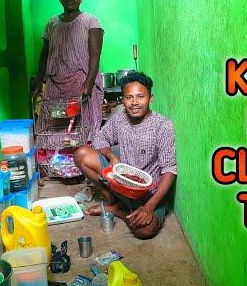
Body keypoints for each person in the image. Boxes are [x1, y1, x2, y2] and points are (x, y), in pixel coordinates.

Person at [74, 72, 177, 239]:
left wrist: (149, 207)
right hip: (122, 183)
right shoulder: (119, 119)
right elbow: (100, 138)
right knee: (82, 154)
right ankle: (112, 201)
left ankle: (118, 210)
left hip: (148, 194)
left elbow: (170, 170)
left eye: (140, 97)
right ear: (123, 100)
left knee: (145, 230)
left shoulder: (163, 126)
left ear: (151, 98)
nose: (135, 102)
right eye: (129, 97)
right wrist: (111, 156)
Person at [33, 0, 104, 141]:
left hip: (81, 84)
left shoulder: (90, 21)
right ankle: (57, 164)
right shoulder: (52, 23)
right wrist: (39, 81)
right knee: (54, 128)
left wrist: (89, 82)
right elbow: (44, 54)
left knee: (82, 130)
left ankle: (83, 162)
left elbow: (95, 52)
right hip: (55, 86)